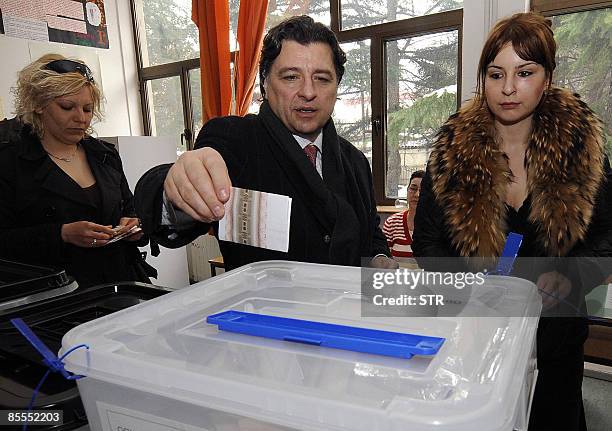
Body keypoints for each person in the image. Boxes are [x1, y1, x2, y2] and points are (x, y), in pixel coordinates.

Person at [412, 13, 611, 431]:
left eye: (525, 72)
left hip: (555, 343)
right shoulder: (452, 151)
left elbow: (607, 239)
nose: (507, 88)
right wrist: (463, 287)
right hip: (474, 342)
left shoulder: (582, 147)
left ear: (547, 76)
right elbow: (427, 241)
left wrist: (571, 278)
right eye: (495, 73)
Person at [134, 15, 395, 271]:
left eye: (322, 78)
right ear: (265, 84)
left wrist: (378, 258)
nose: (308, 91)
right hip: (263, 311)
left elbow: (371, 235)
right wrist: (174, 192)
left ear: (336, 87)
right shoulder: (233, 140)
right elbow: (170, 194)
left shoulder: (355, 161)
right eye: (291, 77)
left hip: (345, 310)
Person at [0, 54, 155, 288]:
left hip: (120, 283)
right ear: (39, 105)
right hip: (58, 296)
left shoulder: (105, 156)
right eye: (67, 107)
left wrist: (135, 226)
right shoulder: (11, 164)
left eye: (87, 109)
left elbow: (130, 208)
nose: (80, 118)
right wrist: (62, 234)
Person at [382, 170, 424, 263]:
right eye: (413, 188)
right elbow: (384, 260)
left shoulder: (435, 226)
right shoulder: (392, 223)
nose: (417, 195)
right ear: (407, 190)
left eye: (422, 190)